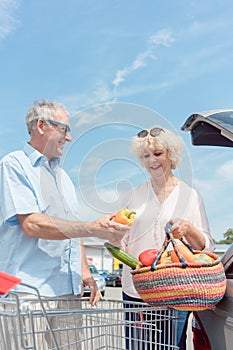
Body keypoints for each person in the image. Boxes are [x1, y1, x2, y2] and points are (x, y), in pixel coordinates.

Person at [0, 99, 129, 349]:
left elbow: (73, 229)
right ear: (41, 125)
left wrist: (84, 272)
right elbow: (32, 225)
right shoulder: (14, 165)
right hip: (28, 293)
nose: (68, 138)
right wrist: (93, 228)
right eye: (64, 129)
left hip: (67, 293)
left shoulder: (63, 178)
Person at [120, 127, 215, 350]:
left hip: (176, 291)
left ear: (171, 155)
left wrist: (190, 229)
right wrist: (113, 235)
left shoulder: (190, 195)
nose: (152, 161)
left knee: (172, 346)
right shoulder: (133, 195)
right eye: (146, 156)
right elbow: (121, 238)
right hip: (137, 290)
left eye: (158, 154)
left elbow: (207, 246)